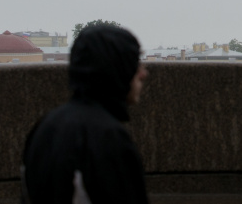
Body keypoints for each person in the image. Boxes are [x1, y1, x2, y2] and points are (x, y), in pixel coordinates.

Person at [22, 23, 150, 204]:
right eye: (134, 63)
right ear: (117, 69)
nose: (143, 73)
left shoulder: (45, 125)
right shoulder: (108, 138)